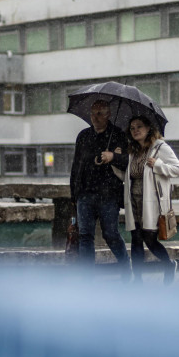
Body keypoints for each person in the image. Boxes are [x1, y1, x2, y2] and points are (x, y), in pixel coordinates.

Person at [69, 100, 131, 277]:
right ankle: (87, 277)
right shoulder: (83, 136)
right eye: (93, 114)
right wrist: (74, 194)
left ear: (108, 115)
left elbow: (129, 162)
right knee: (85, 236)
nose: (95, 118)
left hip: (109, 194)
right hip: (85, 195)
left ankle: (125, 265)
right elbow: (76, 166)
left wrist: (113, 156)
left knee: (110, 233)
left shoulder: (118, 135)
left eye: (100, 113)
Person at [123, 115, 179, 284]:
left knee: (149, 239)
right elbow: (128, 175)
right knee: (135, 239)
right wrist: (113, 161)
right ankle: (138, 279)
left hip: (152, 203)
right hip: (133, 201)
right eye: (132, 128)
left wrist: (157, 165)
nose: (135, 130)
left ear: (149, 128)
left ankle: (168, 265)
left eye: (139, 126)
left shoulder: (160, 147)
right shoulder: (132, 150)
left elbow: (178, 169)